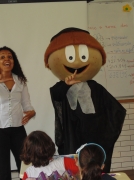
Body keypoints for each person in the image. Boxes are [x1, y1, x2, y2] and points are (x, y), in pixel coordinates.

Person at [44, 27, 126, 172]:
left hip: (95, 134)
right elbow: (56, 96)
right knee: (75, 167)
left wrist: (107, 131)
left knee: (94, 165)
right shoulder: (61, 87)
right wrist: (66, 84)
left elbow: (115, 109)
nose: (76, 64)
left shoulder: (96, 87)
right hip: (73, 135)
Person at [0, 46, 36, 180]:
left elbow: (27, 104)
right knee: (2, 167)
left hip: (17, 129)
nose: (6, 59)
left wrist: (31, 113)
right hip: (0, 130)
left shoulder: (20, 81)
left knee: (25, 164)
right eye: (2, 57)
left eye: (9, 56)